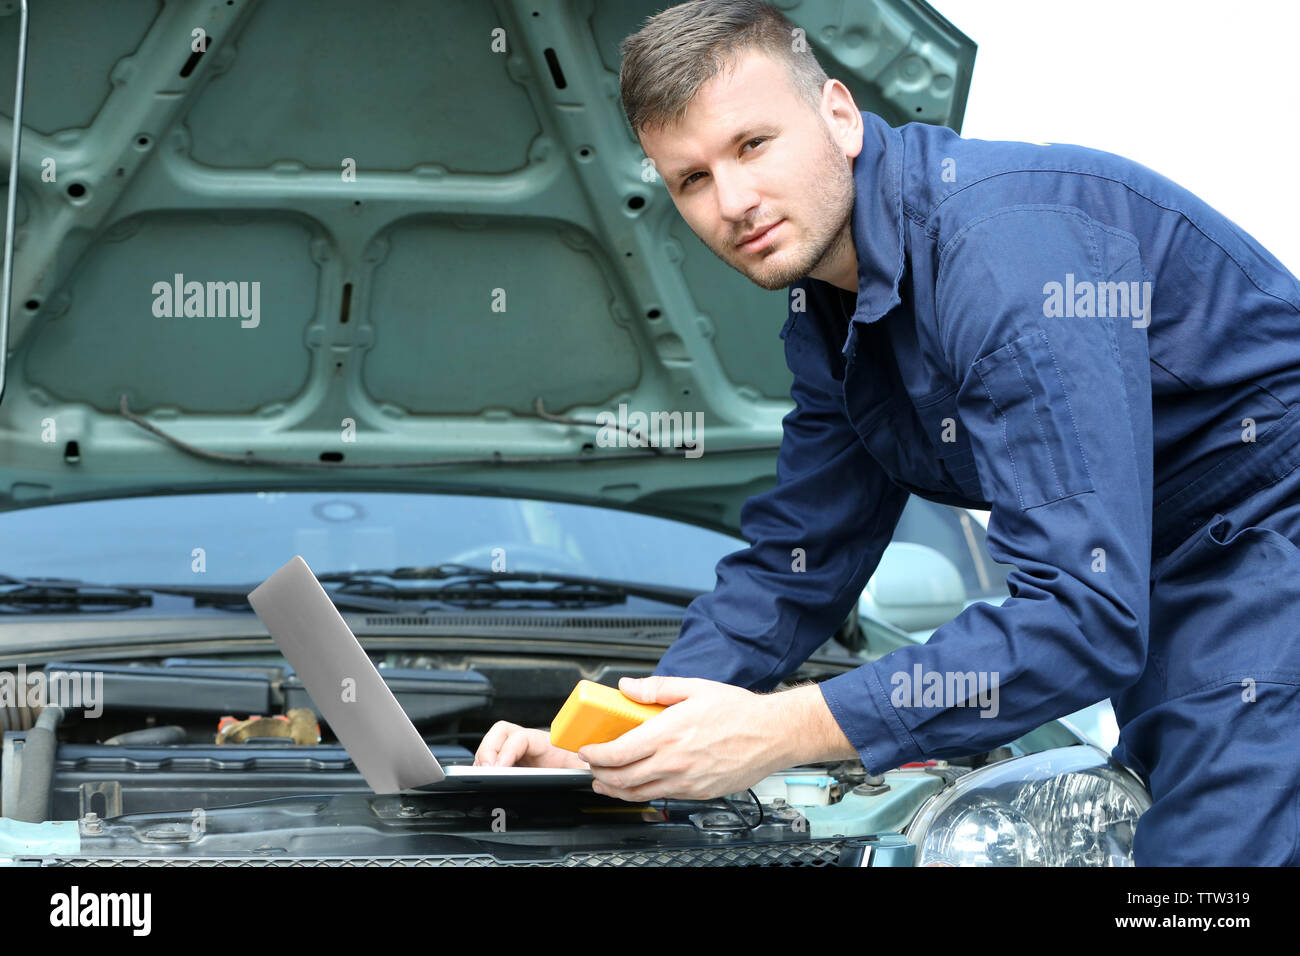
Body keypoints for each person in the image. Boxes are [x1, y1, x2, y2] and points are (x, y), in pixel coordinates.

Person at [474, 0, 1300, 866]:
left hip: (1269, 540)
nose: (735, 201)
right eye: (691, 179)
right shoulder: (832, 315)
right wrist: (609, 744)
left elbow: (1081, 614)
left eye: (753, 145)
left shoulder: (1003, 261)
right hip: (1171, 573)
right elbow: (800, 559)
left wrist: (781, 731)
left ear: (839, 113)